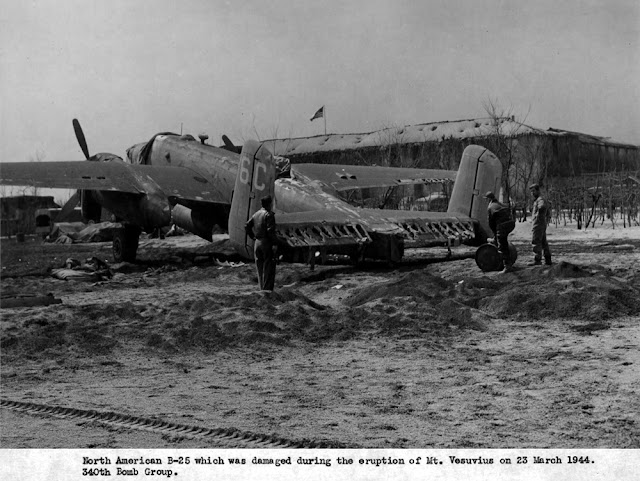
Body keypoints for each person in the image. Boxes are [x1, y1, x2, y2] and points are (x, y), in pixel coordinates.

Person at [245, 195, 278, 290]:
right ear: (270, 204)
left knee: (259, 268)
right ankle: (267, 290)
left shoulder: (256, 214)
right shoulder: (269, 215)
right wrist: (275, 243)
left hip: (257, 243)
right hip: (266, 243)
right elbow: (270, 231)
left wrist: (252, 236)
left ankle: (261, 288)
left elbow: (247, 225)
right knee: (268, 267)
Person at [484, 191, 516, 273]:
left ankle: (507, 266)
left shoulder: (490, 207)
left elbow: (491, 223)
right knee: (503, 239)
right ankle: (509, 262)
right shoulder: (500, 204)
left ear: (488, 199)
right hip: (511, 223)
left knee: (502, 245)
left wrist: (495, 234)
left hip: (502, 225)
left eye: (486, 199)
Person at [529, 183, 552, 266]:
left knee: (536, 241)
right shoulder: (539, 199)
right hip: (541, 224)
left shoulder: (540, 200)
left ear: (538, 190)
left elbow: (542, 207)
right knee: (543, 242)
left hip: (538, 224)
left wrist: (538, 216)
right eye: (531, 192)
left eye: (533, 191)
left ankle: (537, 260)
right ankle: (548, 259)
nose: (532, 193)